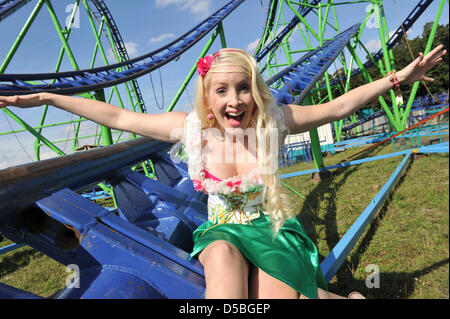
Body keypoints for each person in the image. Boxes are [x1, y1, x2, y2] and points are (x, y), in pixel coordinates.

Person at [0, 45, 445, 299]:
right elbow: (116, 116)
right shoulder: (192, 130)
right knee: (224, 281)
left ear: (255, 92)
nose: (234, 100)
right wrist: (49, 99)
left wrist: (398, 78)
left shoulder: (274, 120)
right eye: (222, 90)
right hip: (222, 232)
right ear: (207, 97)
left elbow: (337, 106)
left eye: (243, 88)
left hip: (271, 230)